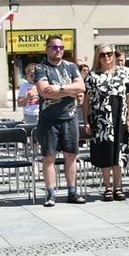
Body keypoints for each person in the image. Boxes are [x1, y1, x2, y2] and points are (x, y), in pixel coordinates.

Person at [34, 35, 86, 206]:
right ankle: (50, 194)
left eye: (61, 47)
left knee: (71, 155)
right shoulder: (41, 68)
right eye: (55, 47)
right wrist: (70, 92)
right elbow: (44, 92)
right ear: (47, 48)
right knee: (49, 157)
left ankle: (72, 192)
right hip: (49, 119)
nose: (58, 50)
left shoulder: (71, 67)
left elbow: (81, 87)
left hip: (69, 118)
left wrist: (59, 88)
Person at [85, 43, 129, 201]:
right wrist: (86, 120)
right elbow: (86, 100)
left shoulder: (122, 74)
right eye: (102, 54)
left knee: (118, 153)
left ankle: (118, 187)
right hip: (101, 121)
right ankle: (107, 187)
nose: (106, 57)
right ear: (97, 57)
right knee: (105, 153)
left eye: (109, 54)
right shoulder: (92, 76)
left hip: (119, 118)